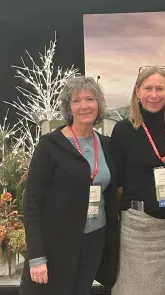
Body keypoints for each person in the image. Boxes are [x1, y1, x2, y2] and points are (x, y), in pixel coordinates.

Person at [20, 76, 119, 295]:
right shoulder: (50, 146)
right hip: (58, 244)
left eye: (90, 99)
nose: (84, 106)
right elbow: (32, 204)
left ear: (99, 104)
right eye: (76, 100)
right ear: (68, 107)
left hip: (94, 240)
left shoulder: (106, 145)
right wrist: (36, 256)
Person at [109, 66, 165, 295]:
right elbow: (118, 183)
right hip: (137, 229)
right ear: (137, 92)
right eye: (147, 88)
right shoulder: (124, 130)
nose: (153, 95)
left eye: (159, 88)